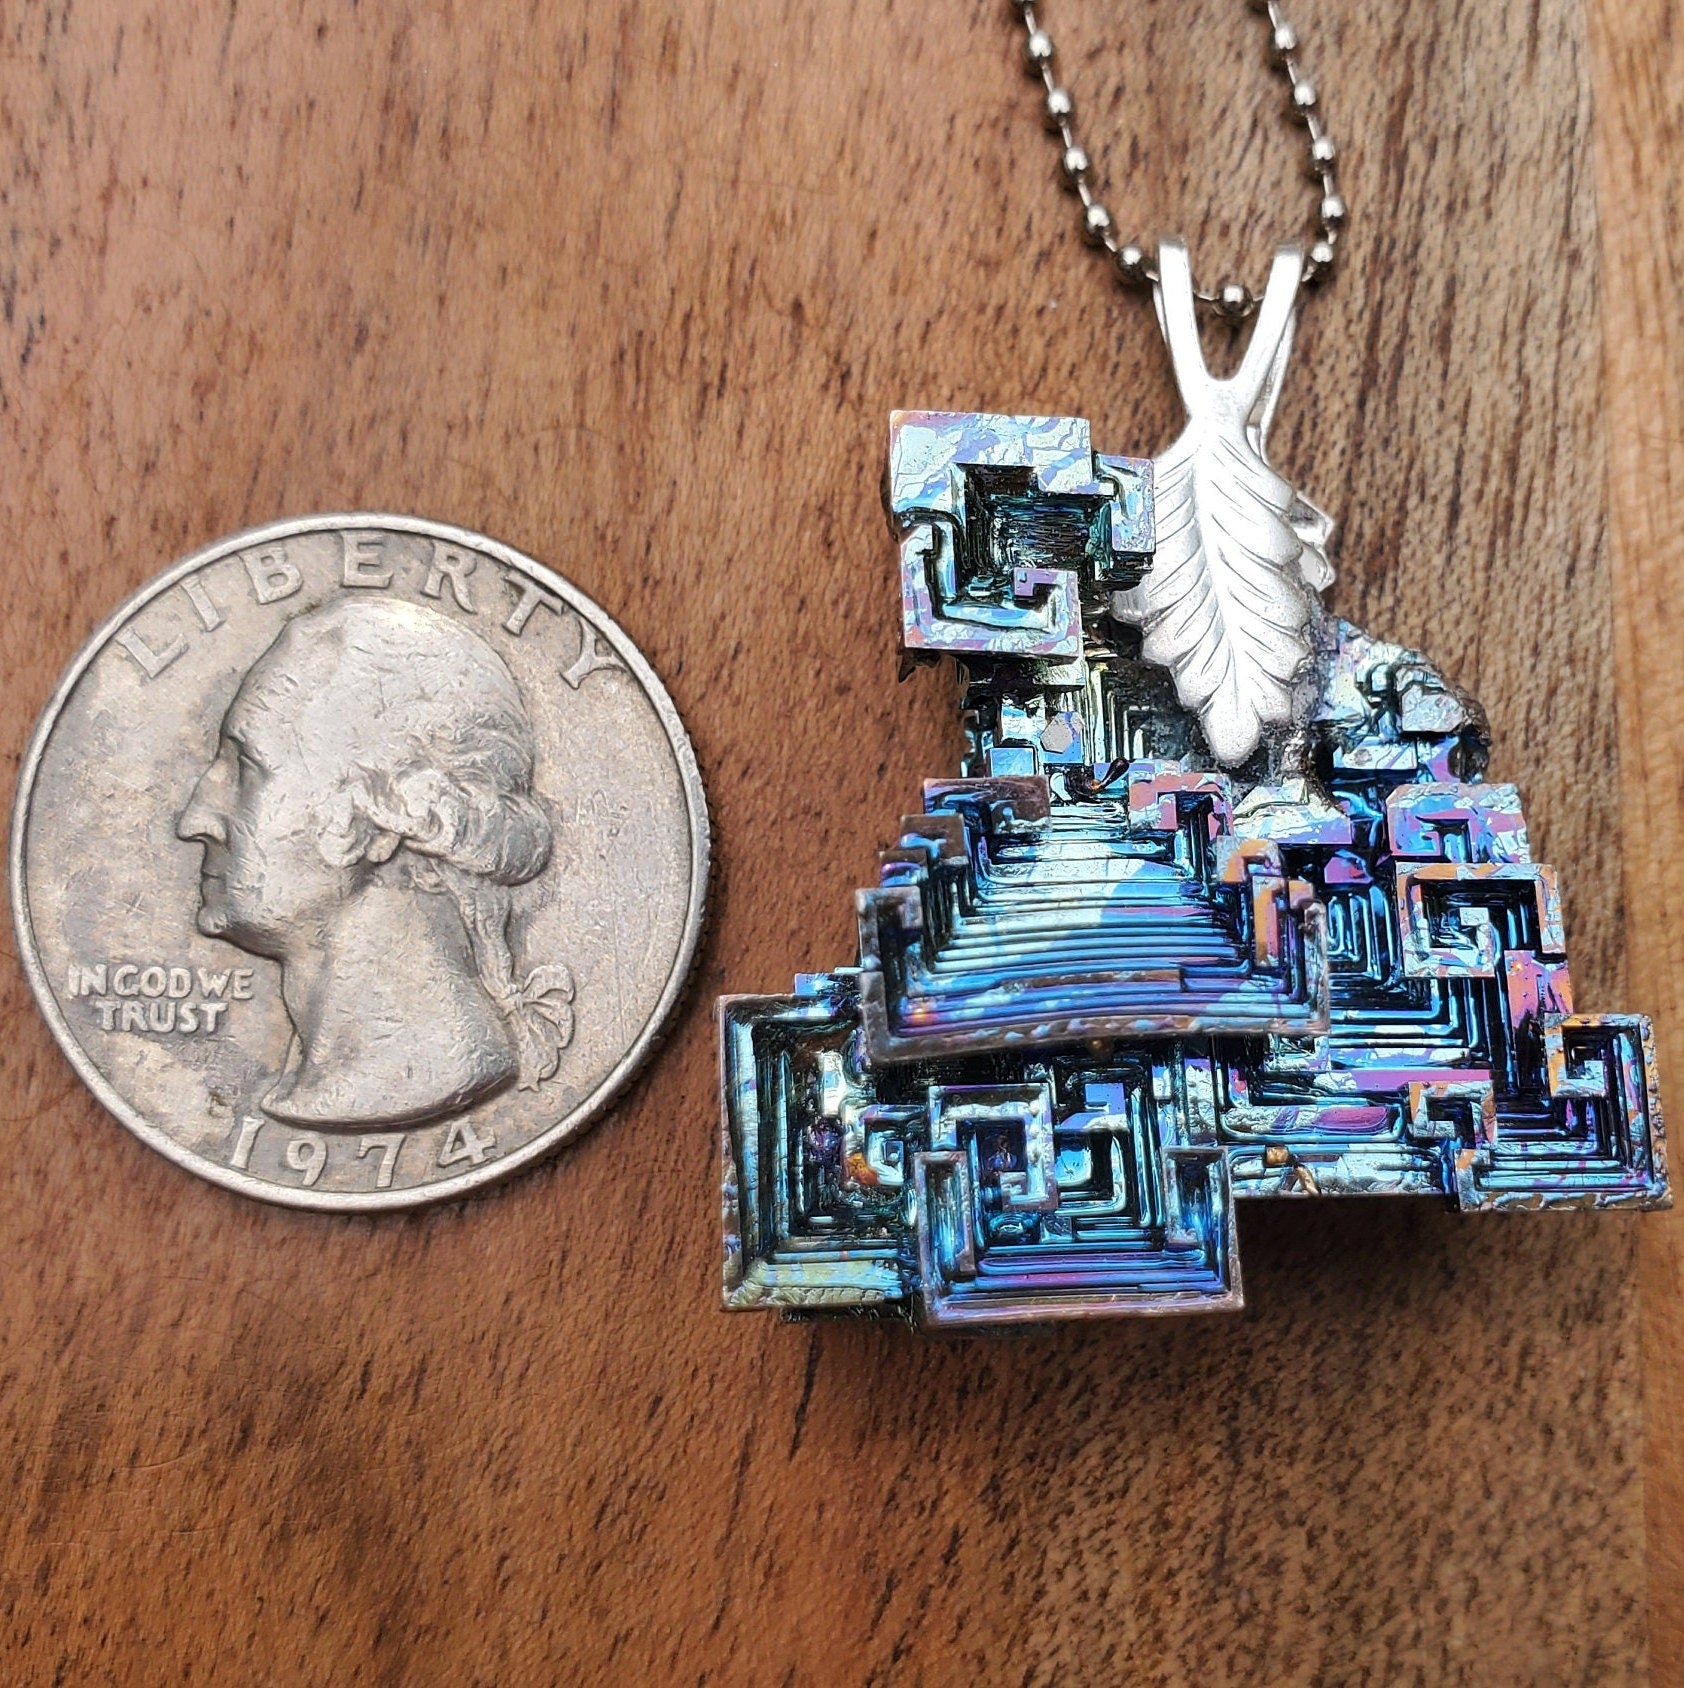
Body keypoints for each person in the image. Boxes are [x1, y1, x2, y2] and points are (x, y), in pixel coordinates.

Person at [177, 596, 573, 1129]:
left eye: (248, 770)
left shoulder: (431, 1073)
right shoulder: (328, 1075)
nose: (195, 820)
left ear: (382, 823)